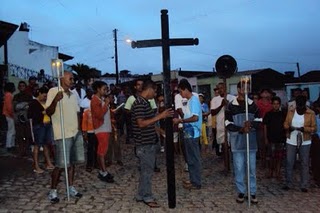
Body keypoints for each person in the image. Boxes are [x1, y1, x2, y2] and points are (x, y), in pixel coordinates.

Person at [131, 80, 172, 208]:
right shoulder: (139, 103)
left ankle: (141, 194)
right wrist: (160, 116)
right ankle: (147, 196)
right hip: (144, 144)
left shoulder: (145, 103)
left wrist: (161, 131)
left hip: (149, 142)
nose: (155, 94)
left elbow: (150, 123)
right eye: (155, 91)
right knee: (147, 172)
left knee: (146, 171)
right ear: (149, 89)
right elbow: (141, 123)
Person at [46, 71, 85, 204]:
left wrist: (80, 130)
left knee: (72, 163)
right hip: (62, 134)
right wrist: (56, 101)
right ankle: (53, 191)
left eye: (73, 78)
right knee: (60, 165)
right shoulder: (53, 91)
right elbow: (49, 112)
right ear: (62, 78)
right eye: (70, 78)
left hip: (74, 133)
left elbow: (77, 113)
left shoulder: (74, 94)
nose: (73, 80)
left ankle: (70, 187)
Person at [225, 81, 260, 204]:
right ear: (239, 89)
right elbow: (227, 124)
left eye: (248, 88)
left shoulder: (253, 105)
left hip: (251, 142)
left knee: (251, 169)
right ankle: (241, 191)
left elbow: (259, 121)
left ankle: (253, 192)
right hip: (237, 142)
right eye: (244, 88)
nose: (246, 90)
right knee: (239, 168)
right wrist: (240, 129)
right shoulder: (231, 106)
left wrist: (251, 124)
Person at [283, 95, 316, 192]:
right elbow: (285, 123)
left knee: (304, 162)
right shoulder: (291, 111)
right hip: (291, 139)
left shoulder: (311, 113)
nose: (300, 105)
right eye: (299, 103)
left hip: (305, 139)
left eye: (302, 103)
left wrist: (304, 129)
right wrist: (288, 127)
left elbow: (314, 128)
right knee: (289, 162)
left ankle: (304, 184)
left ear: (305, 103)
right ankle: (288, 183)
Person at [173, 79, 202, 190]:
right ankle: (193, 179)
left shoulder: (194, 100)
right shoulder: (189, 101)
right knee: (189, 158)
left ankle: (197, 182)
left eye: (181, 91)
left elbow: (195, 117)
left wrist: (181, 121)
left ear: (185, 89)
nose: (181, 94)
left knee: (194, 158)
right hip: (188, 134)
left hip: (193, 134)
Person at [90, 81, 114, 183]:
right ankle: (103, 171)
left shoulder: (100, 99)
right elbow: (99, 115)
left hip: (105, 127)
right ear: (98, 89)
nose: (106, 91)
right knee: (102, 151)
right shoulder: (95, 100)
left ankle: (103, 170)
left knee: (104, 149)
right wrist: (107, 104)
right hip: (101, 128)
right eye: (104, 89)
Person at [28, 86, 55, 173]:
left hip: (47, 124)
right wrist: (42, 113)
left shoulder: (46, 102)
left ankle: (48, 163)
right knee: (37, 145)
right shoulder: (34, 103)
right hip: (39, 125)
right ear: (39, 94)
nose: (45, 97)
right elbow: (30, 115)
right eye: (44, 95)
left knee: (46, 144)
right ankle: (36, 166)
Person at [263, 96, 286, 179]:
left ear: (279, 105)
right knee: (271, 156)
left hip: (280, 138)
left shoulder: (283, 114)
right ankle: (270, 171)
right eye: (274, 104)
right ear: (271, 104)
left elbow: (285, 125)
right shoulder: (268, 114)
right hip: (271, 138)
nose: (276, 105)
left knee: (279, 157)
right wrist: (265, 138)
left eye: (277, 104)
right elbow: (265, 126)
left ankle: (278, 171)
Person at [210, 82, 235, 156]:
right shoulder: (214, 99)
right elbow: (213, 112)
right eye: (218, 88)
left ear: (225, 88)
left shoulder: (232, 98)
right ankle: (225, 160)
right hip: (220, 125)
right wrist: (221, 105)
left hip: (231, 124)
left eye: (222, 88)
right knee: (223, 144)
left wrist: (228, 106)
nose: (220, 90)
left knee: (231, 143)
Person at [13, 81, 33, 157]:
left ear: (25, 86)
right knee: (20, 136)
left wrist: (21, 106)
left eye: (23, 86)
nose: (22, 87)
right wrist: (24, 105)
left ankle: (27, 151)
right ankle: (21, 151)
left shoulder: (29, 96)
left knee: (28, 135)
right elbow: (15, 107)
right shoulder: (16, 96)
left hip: (27, 119)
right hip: (18, 119)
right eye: (20, 86)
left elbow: (30, 107)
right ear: (18, 87)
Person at [81, 89, 98, 173]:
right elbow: (84, 122)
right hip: (90, 131)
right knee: (90, 149)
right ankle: (89, 164)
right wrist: (84, 132)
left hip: (97, 130)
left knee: (97, 148)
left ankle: (96, 163)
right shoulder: (86, 111)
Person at [2, 82, 16, 151]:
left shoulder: (7, 94)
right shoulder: (9, 95)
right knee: (11, 131)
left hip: (8, 115)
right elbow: (9, 106)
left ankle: (11, 145)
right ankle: (9, 145)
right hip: (9, 115)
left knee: (11, 130)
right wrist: (12, 114)